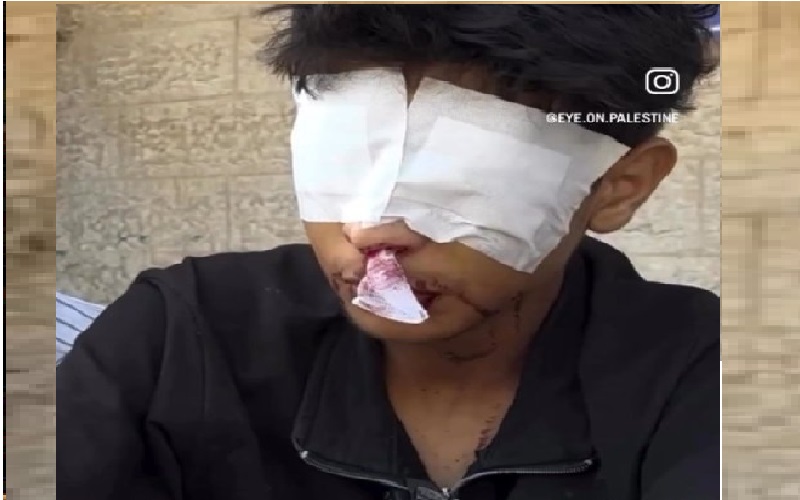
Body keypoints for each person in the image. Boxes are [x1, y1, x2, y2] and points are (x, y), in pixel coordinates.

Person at [57, 5, 720, 500]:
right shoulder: (177, 338)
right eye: (345, 156)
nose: (372, 229)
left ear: (618, 188)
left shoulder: (704, 374)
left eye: (465, 173)